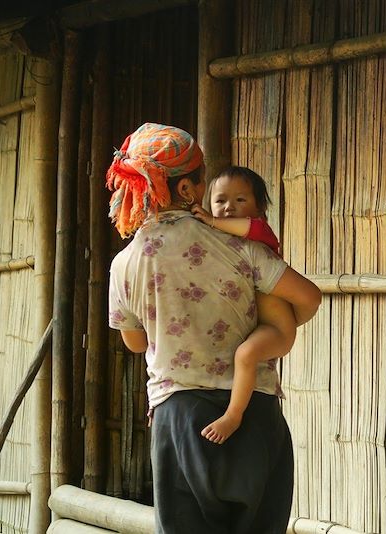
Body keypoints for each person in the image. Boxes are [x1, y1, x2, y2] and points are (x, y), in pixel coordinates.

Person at [107, 122, 322, 533]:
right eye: (202, 178)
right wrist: (280, 330)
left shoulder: (125, 264)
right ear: (187, 189)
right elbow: (309, 298)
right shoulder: (242, 245)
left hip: (179, 419)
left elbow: (134, 342)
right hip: (254, 415)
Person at [190, 166, 296, 444]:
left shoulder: (259, 233)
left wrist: (210, 222)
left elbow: (246, 227)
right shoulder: (223, 243)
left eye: (240, 200)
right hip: (261, 323)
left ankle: (233, 416)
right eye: (220, 200)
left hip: (275, 327)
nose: (228, 208)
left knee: (245, 355)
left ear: (259, 207)